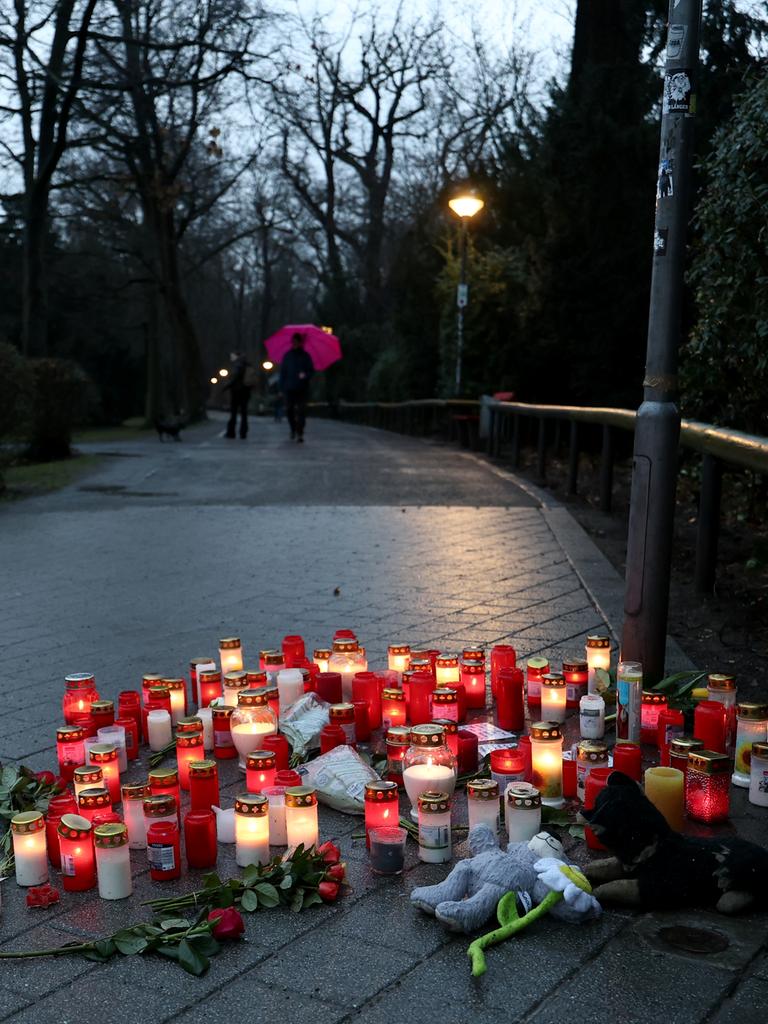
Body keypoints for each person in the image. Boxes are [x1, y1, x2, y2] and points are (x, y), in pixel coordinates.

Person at [279, 332, 314, 442]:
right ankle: (293, 428)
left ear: (300, 342)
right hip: (289, 388)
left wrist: (305, 375)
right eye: (293, 342)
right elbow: (283, 373)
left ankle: (300, 432)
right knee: (289, 410)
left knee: (301, 411)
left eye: (296, 342)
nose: (294, 344)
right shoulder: (287, 356)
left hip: (302, 388)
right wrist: (281, 388)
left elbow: (311, 371)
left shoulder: (306, 356)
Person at [223, 351, 252, 439]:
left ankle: (231, 432)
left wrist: (226, 386)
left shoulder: (238, 365)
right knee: (244, 413)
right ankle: (243, 432)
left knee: (234, 413)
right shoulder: (248, 365)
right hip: (246, 392)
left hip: (237, 392)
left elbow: (234, 378)